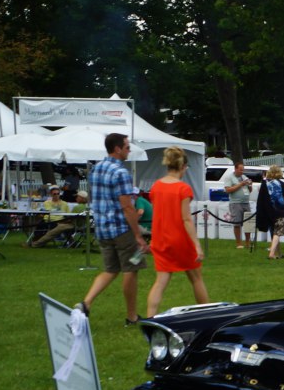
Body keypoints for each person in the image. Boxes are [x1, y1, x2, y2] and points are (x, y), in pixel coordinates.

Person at [76, 132, 149, 325]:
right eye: (127, 147)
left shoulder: (96, 169)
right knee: (131, 270)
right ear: (117, 149)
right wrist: (138, 235)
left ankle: (86, 303)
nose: (129, 150)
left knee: (110, 270)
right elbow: (127, 206)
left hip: (102, 228)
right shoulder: (121, 173)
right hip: (121, 229)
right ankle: (132, 316)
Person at [145, 147, 210, 316]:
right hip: (180, 239)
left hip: (160, 239)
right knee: (196, 278)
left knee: (160, 282)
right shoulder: (183, 189)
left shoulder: (156, 187)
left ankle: (151, 318)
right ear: (182, 166)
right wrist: (197, 245)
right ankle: (206, 314)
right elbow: (186, 219)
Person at [257, 165, 284, 260]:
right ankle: (271, 253)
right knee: (278, 232)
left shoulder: (264, 184)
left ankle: (279, 253)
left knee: (274, 232)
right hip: (279, 211)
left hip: (268, 211)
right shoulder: (282, 184)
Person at [220, 157, 253, 248]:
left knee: (248, 223)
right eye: (240, 170)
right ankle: (238, 243)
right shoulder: (229, 177)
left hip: (246, 202)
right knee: (237, 223)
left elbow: (249, 190)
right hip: (235, 203)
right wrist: (240, 184)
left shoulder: (244, 177)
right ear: (235, 169)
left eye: (243, 170)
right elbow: (227, 190)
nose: (242, 172)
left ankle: (248, 243)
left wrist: (250, 185)